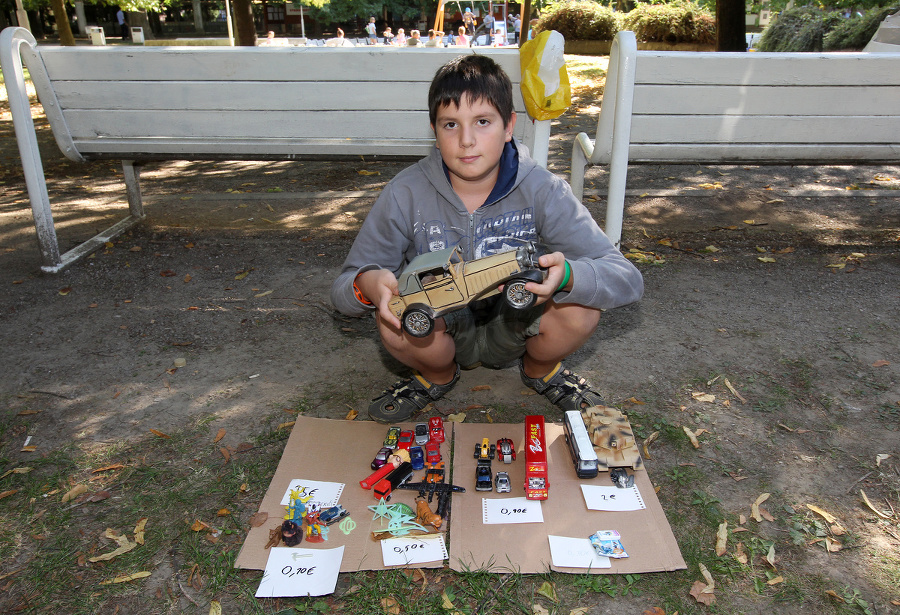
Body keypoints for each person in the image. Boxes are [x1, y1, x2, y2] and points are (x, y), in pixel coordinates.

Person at [330, 55, 644, 423]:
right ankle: (436, 377)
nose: (466, 140)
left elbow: (625, 278)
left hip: (517, 319)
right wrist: (367, 283)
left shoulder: (544, 190)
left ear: (509, 126)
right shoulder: (405, 193)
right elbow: (341, 291)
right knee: (391, 320)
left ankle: (540, 368)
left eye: (482, 121)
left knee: (581, 304)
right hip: (438, 324)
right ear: (434, 129)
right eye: (450, 124)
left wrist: (570, 275)